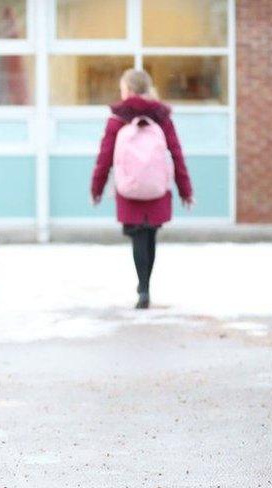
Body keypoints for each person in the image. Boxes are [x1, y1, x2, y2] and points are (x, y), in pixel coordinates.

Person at [91, 69, 193, 309]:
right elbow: (176, 154)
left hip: (129, 188)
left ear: (128, 90)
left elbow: (104, 157)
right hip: (157, 188)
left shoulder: (118, 119)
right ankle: (146, 286)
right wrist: (185, 190)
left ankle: (142, 288)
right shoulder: (162, 117)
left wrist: (97, 187)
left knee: (137, 235)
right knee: (150, 236)